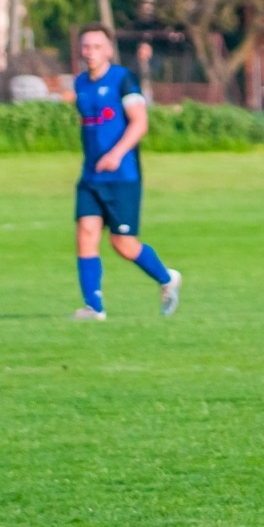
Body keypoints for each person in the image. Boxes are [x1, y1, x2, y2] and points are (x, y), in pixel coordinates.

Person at [70, 23, 181, 321]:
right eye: (85, 46)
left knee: (123, 244)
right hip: (91, 176)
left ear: (109, 50)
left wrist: (116, 154)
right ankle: (94, 308)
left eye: (96, 46)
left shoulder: (123, 80)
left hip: (123, 177)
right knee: (86, 233)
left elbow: (139, 122)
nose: (90, 52)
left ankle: (167, 279)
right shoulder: (80, 84)